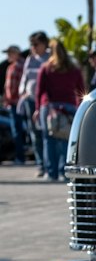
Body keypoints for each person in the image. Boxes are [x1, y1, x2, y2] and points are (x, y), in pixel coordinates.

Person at [35, 38, 84, 182]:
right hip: (68, 107)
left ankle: (51, 173)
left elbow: (40, 91)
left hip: (50, 108)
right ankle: (64, 172)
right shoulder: (74, 69)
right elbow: (81, 90)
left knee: (48, 140)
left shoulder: (46, 68)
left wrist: (37, 109)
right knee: (65, 139)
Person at [17, 32, 50, 176]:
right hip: (30, 100)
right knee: (34, 134)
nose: (34, 47)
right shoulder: (30, 59)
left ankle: (50, 165)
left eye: (36, 44)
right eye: (32, 44)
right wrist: (22, 91)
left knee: (47, 134)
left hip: (45, 101)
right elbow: (25, 77)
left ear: (44, 44)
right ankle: (41, 165)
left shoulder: (50, 59)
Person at [3, 45, 26, 163]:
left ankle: (20, 157)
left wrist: (10, 98)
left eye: (10, 53)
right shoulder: (11, 67)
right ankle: (19, 155)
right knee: (16, 130)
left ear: (16, 53)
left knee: (18, 131)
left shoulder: (20, 66)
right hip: (11, 103)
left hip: (17, 103)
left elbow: (17, 87)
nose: (8, 55)